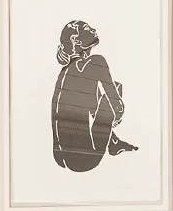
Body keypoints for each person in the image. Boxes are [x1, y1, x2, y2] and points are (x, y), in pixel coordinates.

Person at [50, 20, 135, 173]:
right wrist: (114, 117)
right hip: (87, 160)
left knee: (90, 93)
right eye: (88, 28)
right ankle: (113, 142)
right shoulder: (97, 62)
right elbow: (118, 107)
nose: (94, 29)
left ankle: (114, 142)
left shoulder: (64, 72)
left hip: (62, 158)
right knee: (116, 87)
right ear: (76, 40)